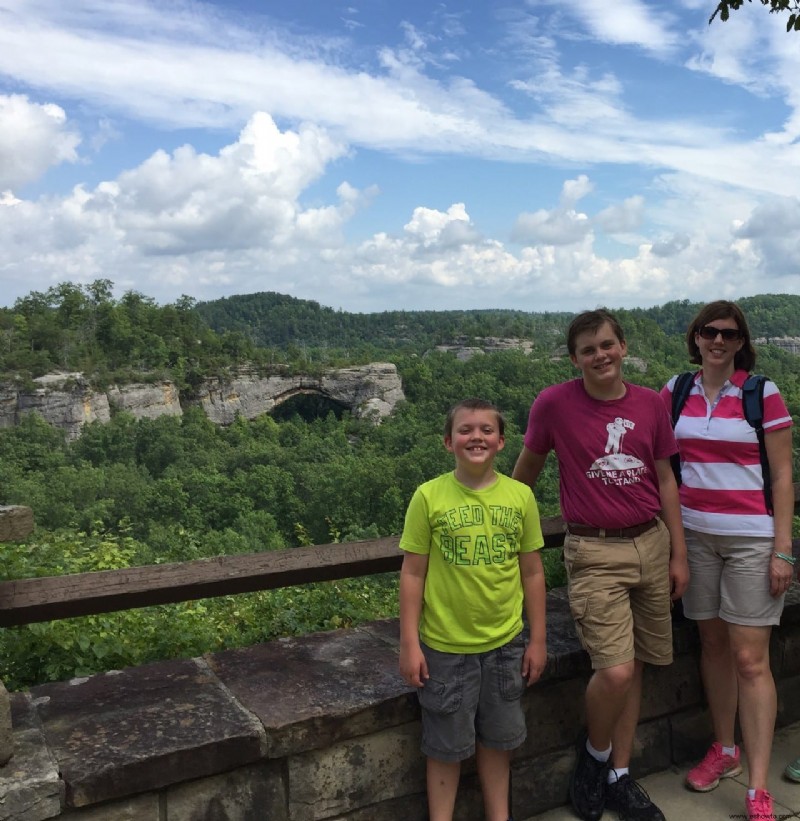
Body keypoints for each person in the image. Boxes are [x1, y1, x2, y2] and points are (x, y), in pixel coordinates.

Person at [512, 309, 689, 821]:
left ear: (623, 347)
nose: (600, 356)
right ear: (575, 359)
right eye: (589, 350)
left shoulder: (650, 404)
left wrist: (678, 552)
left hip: (650, 544)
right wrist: (500, 526)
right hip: (593, 549)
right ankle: (594, 757)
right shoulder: (555, 404)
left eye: (608, 345)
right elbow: (525, 473)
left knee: (636, 668)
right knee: (614, 671)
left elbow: (665, 479)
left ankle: (619, 774)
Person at [661, 301, 794, 821]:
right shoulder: (675, 392)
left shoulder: (762, 394)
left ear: (741, 341)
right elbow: (660, 462)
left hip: (751, 540)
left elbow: (782, 476)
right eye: (708, 332)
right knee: (712, 645)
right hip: (695, 536)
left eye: (729, 334)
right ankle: (725, 750)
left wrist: (783, 548)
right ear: (695, 337)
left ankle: (758, 785)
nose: (718, 341)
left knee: (750, 660)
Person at [398, 397, 547, 821]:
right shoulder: (429, 497)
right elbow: (412, 574)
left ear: (502, 441)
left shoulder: (520, 496)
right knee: (444, 748)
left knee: (499, 743)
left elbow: (533, 572)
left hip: (505, 644)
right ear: (448, 442)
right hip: (445, 648)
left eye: (486, 430)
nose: (475, 437)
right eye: (465, 430)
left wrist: (537, 639)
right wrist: (409, 642)